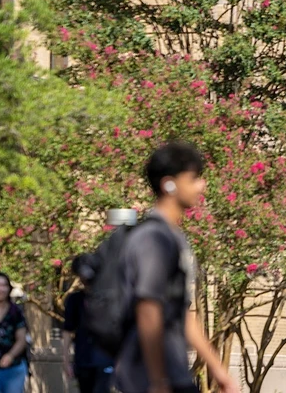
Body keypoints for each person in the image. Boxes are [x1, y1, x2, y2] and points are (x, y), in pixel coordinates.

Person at [116, 141, 239, 393]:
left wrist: (219, 371)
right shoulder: (153, 238)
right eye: (193, 178)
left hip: (173, 371)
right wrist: (158, 381)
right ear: (169, 184)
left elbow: (182, 314)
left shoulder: (174, 237)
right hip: (147, 375)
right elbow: (148, 307)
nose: (201, 186)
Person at [63, 255, 116, 393]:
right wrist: (66, 361)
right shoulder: (74, 300)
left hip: (105, 359)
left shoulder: (109, 298)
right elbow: (68, 330)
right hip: (83, 360)